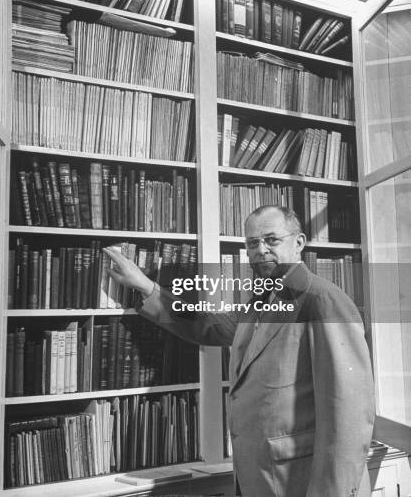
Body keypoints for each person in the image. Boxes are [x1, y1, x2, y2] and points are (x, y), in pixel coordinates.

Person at [104, 205, 375, 497]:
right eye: (252, 243)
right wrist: (145, 286)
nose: (260, 250)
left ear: (298, 243)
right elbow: (207, 326)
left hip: (302, 482)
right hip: (260, 478)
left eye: (271, 240)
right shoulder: (261, 299)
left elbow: (349, 417)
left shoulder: (323, 300)